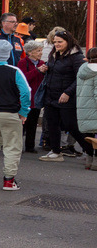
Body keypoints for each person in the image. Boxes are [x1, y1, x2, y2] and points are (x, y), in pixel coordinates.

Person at [0, 40, 31, 190]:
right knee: (12, 145)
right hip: (10, 112)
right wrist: (24, 111)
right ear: (7, 55)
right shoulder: (14, 71)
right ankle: (9, 180)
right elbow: (25, 92)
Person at [39, 30, 92, 163]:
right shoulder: (54, 55)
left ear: (68, 41)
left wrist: (68, 92)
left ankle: (91, 150)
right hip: (51, 95)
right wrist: (44, 69)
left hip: (67, 96)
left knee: (71, 125)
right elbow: (53, 71)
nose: (56, 44)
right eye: (55, 42)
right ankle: (56, 151)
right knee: (52, 123)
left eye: (60, 42)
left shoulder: (76, 57)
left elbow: (79, 78)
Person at [18, 40, 45, 154]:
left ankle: (30, 146)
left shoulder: (42, 63)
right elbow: (23, 78)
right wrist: (38, 71)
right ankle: (18, 146)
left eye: (41, 50)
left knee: (33, 124)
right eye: (38, 51)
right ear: (30, 52)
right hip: (25, 98)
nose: (40, 53)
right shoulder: (23, 63)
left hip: (37, 98)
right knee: (21, 124)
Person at [78, 48, 97, 169]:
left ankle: (89, 159)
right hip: (94, 107)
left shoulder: (83, 68)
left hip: (83, 106)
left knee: (88, 135)